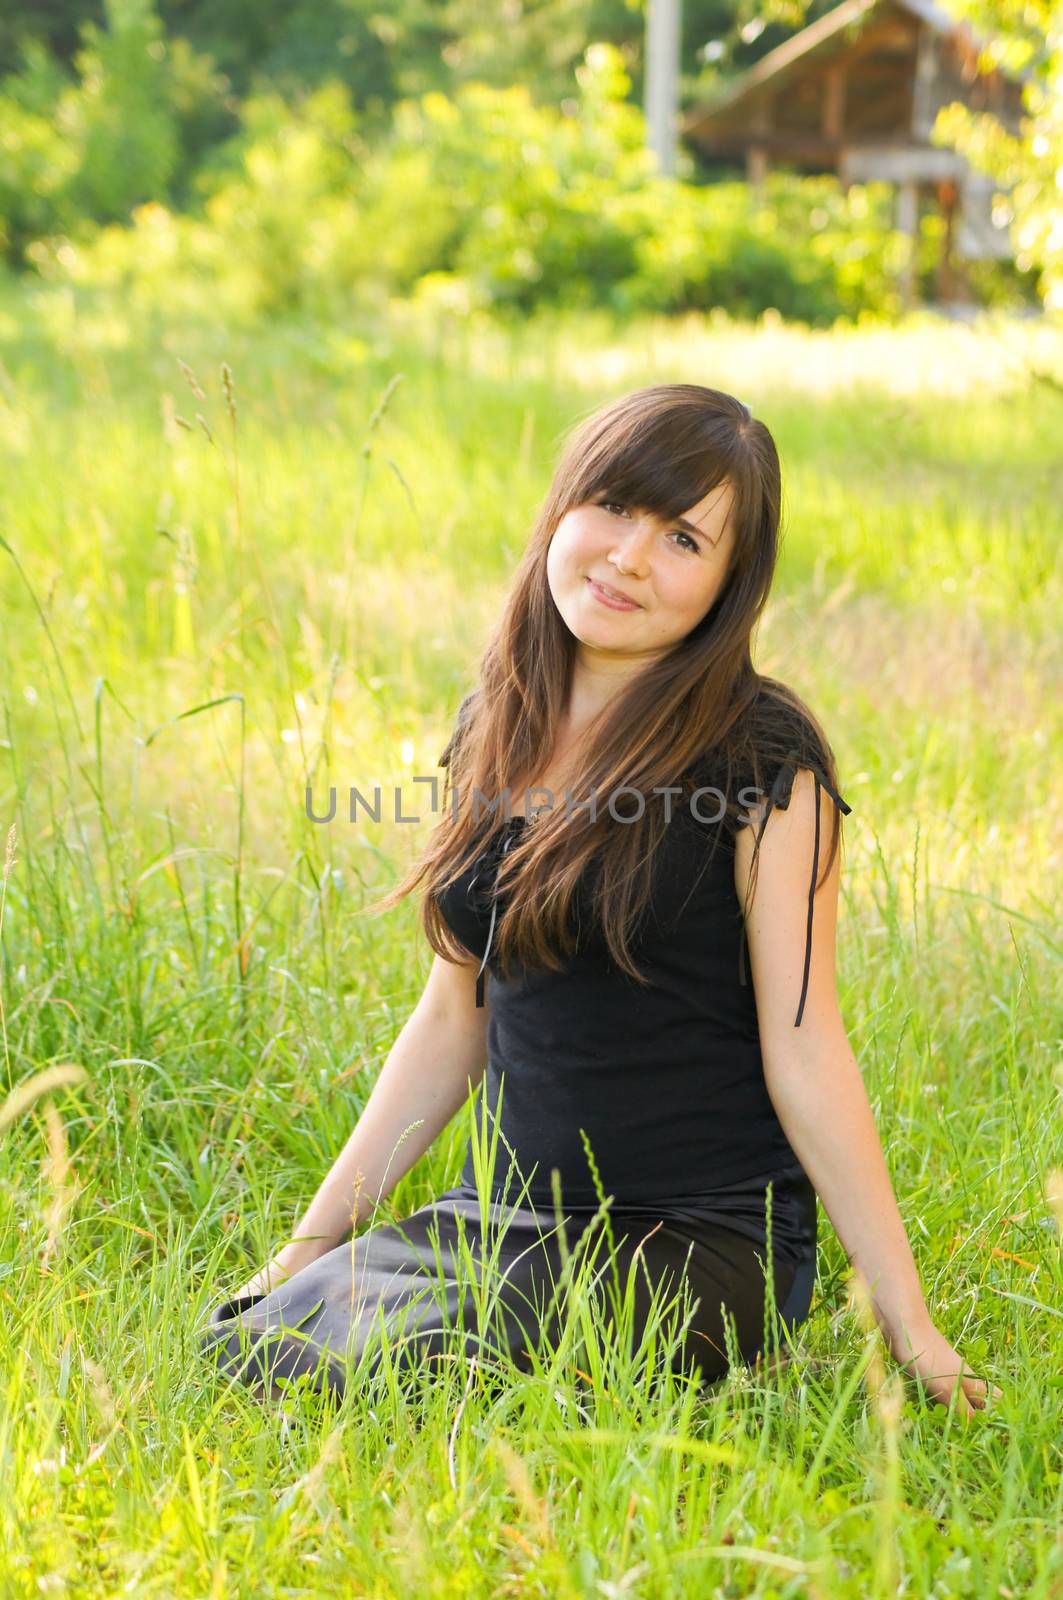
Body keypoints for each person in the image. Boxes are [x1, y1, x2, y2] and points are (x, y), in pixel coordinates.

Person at [199, 383, 1001, 1417]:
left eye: (680, 537)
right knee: (260, 1340)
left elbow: (807, 1049)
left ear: (726, 585)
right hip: (504, 1217)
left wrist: (910, 1325)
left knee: (417, 1368)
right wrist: (306, 1246)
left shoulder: (763, 761)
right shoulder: (496, 719)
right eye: (613, 507)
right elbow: (451, 1021)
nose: (627, 556)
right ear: (562, 512)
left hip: (704, 1234)